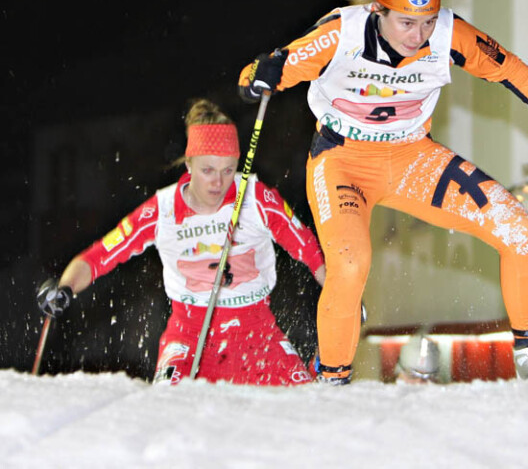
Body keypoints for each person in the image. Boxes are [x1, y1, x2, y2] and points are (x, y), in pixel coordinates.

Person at [238, 0, 528, 384]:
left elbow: (508, 69)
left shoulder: (449, 34)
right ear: (379, 9)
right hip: (344, 162)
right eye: (406, 22)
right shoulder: (341, 34)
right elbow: (263, 73)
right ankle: (333, 379)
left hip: (412, 159)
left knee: (517, 229)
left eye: (428, 22)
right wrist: (258, 77)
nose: (418, 36)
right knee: (350, 263)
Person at [36, 99, 325, 386]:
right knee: (170, 405)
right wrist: (65, 287)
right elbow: (99, 256)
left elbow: (310, 251)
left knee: (306, 405)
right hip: (189, 340)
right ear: (189, 164)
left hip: (257, 335)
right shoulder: (162, 210)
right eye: (207, 170)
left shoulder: (255, 197)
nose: (218, 183)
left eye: (227, 170)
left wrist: (340, 291)